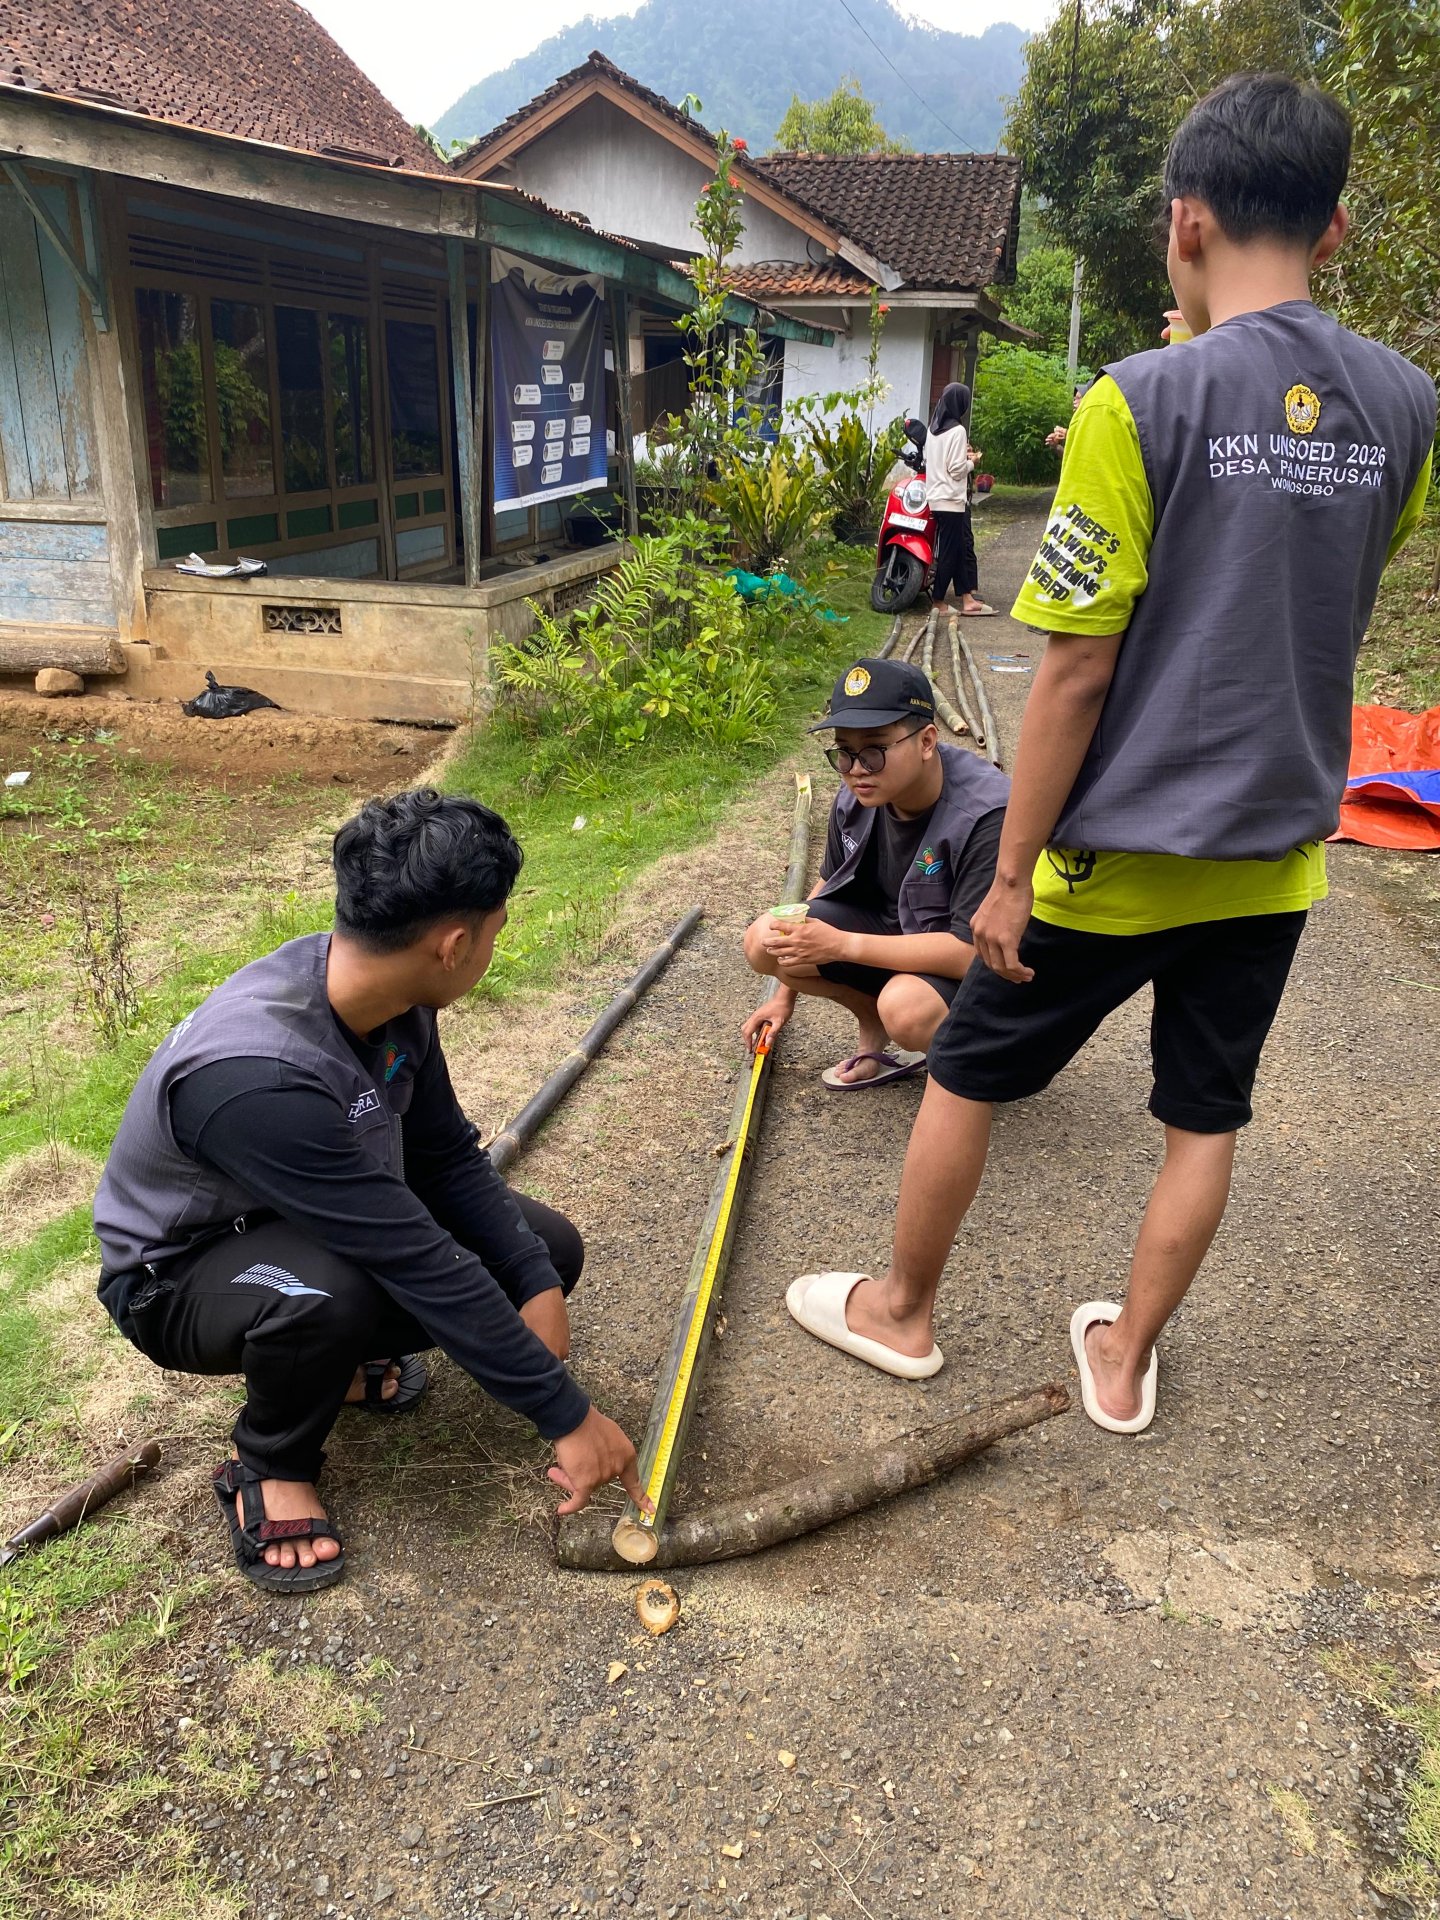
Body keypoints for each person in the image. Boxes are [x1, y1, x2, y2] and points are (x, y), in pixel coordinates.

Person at [785, 74, 1435, 1413]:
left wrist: (1010, 873)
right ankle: (1123, 1355)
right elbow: (1320, 573)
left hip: (1114, 853)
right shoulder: (1410, 408)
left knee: (966, 1067)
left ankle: (903, 1312)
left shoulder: (1137, 401)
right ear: (1341, 229)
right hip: (1272, 857)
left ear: (1184, 222)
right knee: (1204, 1115)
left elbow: (1076, 669)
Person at [94, 789, 647, 1592]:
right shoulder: (254, 1078)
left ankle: (338, 1369)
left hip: (301, 1221)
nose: (495, 944)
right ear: (454, 944)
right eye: (497, 931)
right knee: (331, 1292)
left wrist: (532, 1279)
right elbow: (412, 1254)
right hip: (178, 1276)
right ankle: (270, 1464)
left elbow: (447, 1160)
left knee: (547, 1247)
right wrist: (566, 1415)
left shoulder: (391, 995)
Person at [742, 658, 1009, 1089]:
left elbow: (972, 952)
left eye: (874, 750)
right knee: (766, 941)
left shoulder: (986, 815)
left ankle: (976, 1067)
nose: (855, 769)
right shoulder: (858, 794)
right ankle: (873, 1025)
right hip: (891, 933)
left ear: (926, 741)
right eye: (843, 752)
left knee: (907, 1008)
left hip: (967, 963)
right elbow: (827, 885)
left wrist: (842, 944)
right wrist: (782, 996)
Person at [925, 382, 994, 616]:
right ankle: (938, 601)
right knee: (950, 552)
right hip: (951, 500)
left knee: (955, 548)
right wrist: (972, 462)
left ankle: (967, 598)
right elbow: (955, 469)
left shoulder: (933, 430)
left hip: (936, 497)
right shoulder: (958, 431)